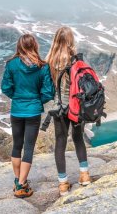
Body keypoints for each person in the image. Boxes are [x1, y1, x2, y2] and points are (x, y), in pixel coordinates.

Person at [1, 33, 55, 198]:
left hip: (17, 110)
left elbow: (6, 87)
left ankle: (18, 179)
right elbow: (48, 92)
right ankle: (22, 185)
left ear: (19, 46)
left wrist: (17, 98)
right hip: (33, 111)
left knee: (17, 145)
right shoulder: (43, 67)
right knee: (29, 147)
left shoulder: (11, 65)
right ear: (35, 46)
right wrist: (37, 101)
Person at [46, 26, 91, 196]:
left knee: (60, 143)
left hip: (59, 108)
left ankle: (63, 184)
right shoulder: (75, 60)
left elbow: (48, 87)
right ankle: (85, 175)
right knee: (78, 138)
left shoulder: (49, 61)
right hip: (76, 107)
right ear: (71, 40)